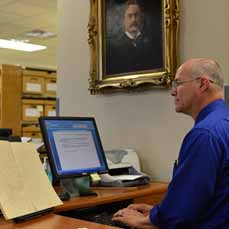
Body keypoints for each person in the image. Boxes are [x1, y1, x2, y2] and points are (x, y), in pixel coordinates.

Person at [112, 58, 229, 228]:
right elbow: (206, 200)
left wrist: (146, 220)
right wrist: (157, 212)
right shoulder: (223, 122)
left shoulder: (205, 134)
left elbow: (184, 209)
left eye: (178, 83)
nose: (173, 92)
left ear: (203, 84)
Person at [106, 0, 163, 76]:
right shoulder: (113, 48)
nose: (134, 19)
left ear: (141, 18)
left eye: (136, 15)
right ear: (124, 20)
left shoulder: (153, 43)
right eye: (130, 16)